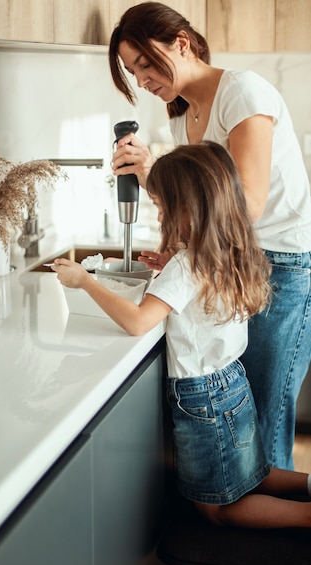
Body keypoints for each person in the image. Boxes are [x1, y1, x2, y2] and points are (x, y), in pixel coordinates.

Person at [52, 142, 311, 565]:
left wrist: (84, 282)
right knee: (253, 474)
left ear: (187, 208)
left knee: (217, 510)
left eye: (161, 204)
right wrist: (165, 272)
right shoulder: (231, 249)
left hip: (203, 402)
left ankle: (305, 515)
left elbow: (137, 323)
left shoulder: (186, 264)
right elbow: (194, 301)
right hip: (232, 385)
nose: (158, 211)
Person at [109, 1, 311, 475]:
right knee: (244, 416)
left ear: (181, 43)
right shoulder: (183, 115)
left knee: (264, 411)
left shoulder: (241, 91)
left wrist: (155, 171)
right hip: (237, 261)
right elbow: (205, 209)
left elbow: (247, 204)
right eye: (131, 72)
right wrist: (182, 252)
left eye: (143, 64)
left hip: (281, 264)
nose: (141, 81)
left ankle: (277, 543)